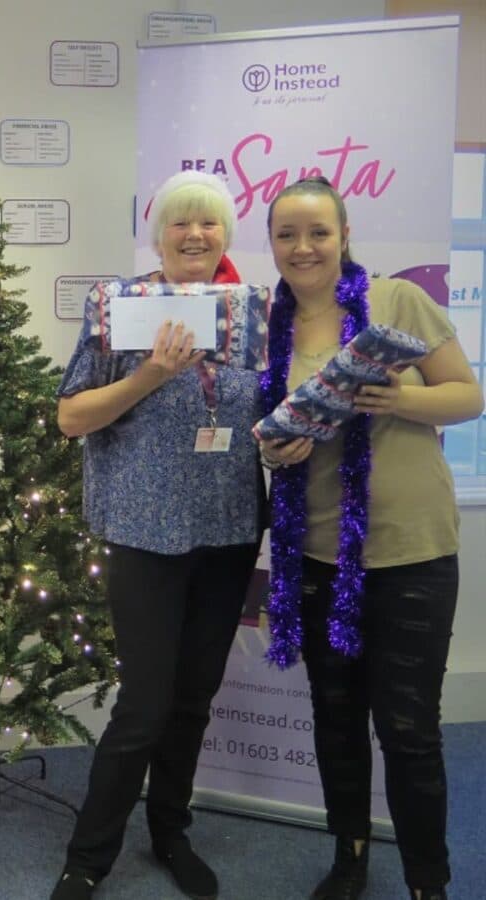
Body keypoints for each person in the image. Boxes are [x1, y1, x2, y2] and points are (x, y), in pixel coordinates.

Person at [257, 176, 483, 900]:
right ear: (272, 245)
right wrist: (275, 451)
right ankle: (349, 854)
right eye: (287, 234)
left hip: (412, 549)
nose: (303, 247)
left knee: (410, 730)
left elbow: (469, 395)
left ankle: (428, 880)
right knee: (336, 718)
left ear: (344, 235)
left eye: (318, 232)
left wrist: (398, 398)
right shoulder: (271, 325)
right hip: (319, 551)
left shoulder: (394, 302)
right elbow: (271, 426)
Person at [50, 171, 266, 900]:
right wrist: (149, 374)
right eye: (179, 224)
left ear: (226, 236)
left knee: (194, 697)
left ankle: (171, 832)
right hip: (145, 530)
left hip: (228, 527)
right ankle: (88, 858)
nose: (195, 236)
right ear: (157, 234)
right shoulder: (120, 306)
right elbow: (72, 417)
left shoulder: (253, 315)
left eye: (208, 224)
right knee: (143, 706)